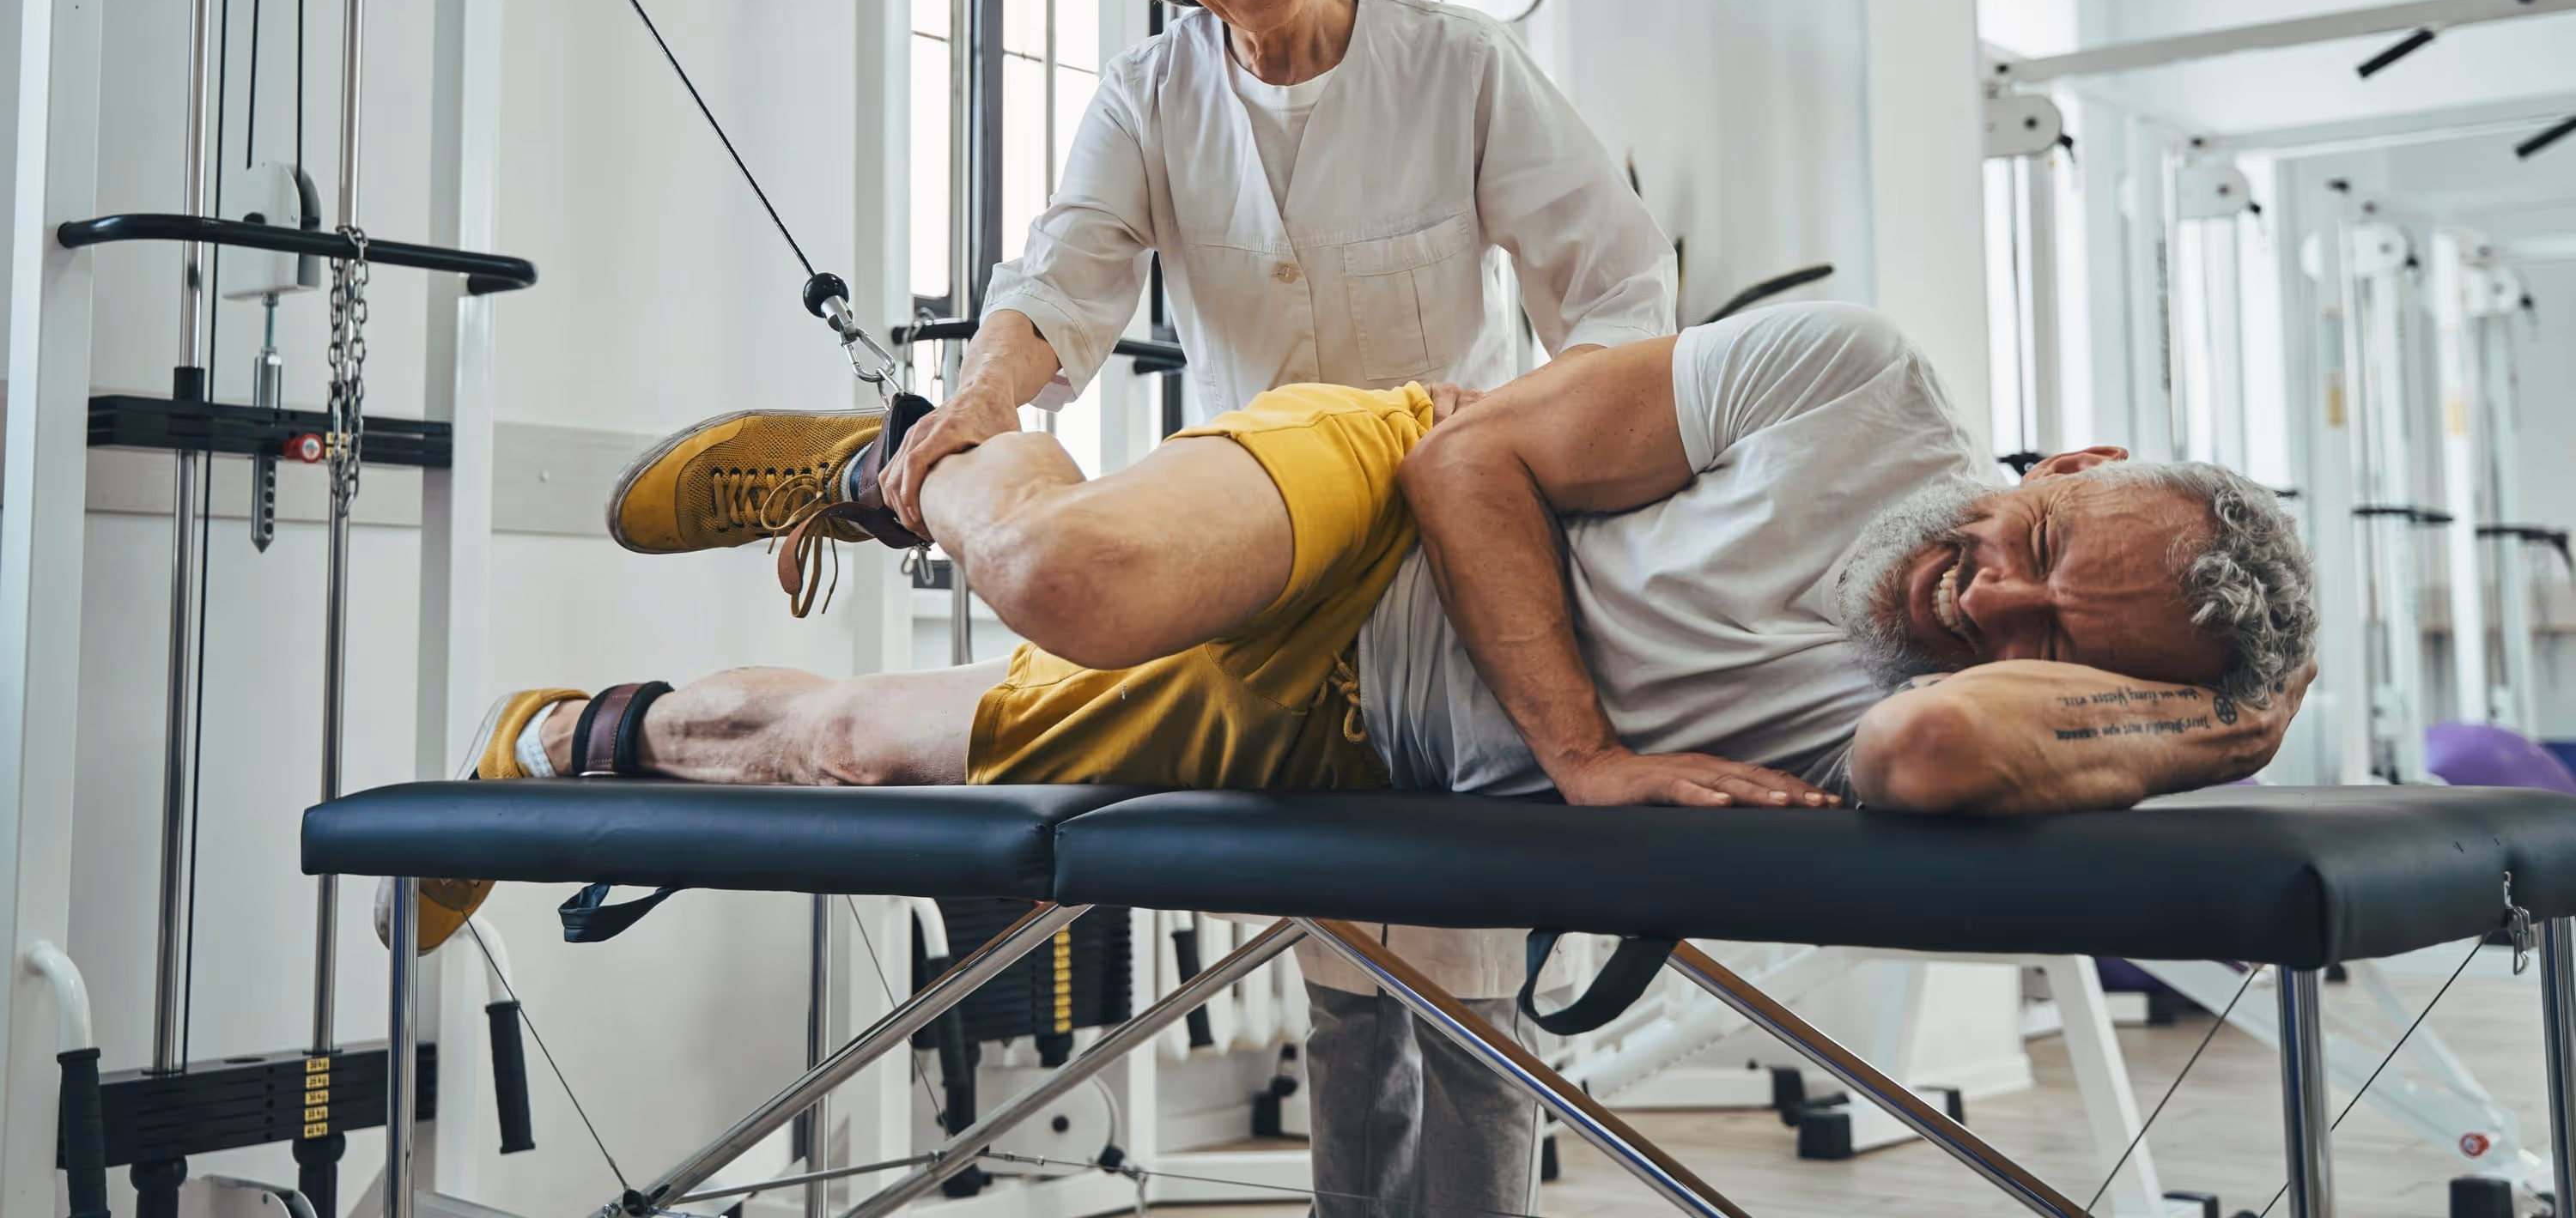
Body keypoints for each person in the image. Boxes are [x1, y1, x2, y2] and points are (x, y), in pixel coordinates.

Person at [738, 0, 1669, 1212]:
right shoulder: (1148, 95)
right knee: (1343, 963)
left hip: (1452, 556)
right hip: (1263, 553)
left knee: (1473, 969)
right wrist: (972, 408)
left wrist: (1527, 429)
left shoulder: (1459, 67)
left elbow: (1619, 299)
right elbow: (1066, 281)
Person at [414, 302, 2318, 1002]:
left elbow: (1926, 764)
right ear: (2067, 461)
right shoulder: (1862, 382)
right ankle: (910, 458)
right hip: (1379, 499)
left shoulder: (1971, 707)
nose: (1991, 600)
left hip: (1356, 731)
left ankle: (578, 738)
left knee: (852, 754)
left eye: (2066, 635)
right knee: (1067, 577)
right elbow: (1478, 450)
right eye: (2042, 542)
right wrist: (1578, 745)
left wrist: (2215, 728)